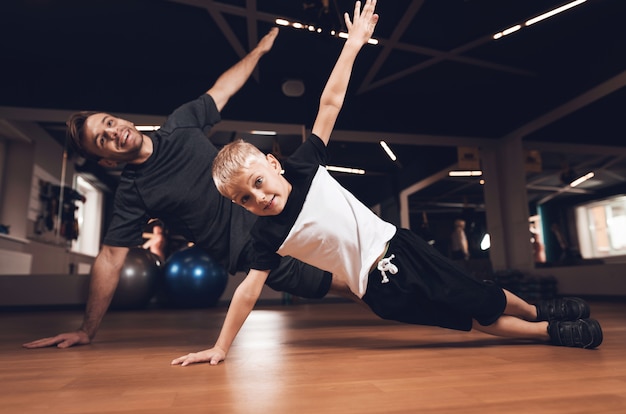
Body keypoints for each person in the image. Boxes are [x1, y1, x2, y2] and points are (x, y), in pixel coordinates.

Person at [172, 0, 602, 367]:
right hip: (379, 290)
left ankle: (536, 310)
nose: (259, 198)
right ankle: (549, 332)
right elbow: (248, 292)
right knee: (471, 318)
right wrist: (220, 346)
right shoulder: (266, 237)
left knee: (480, 295)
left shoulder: (304, 165)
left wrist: (353, 44)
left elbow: (330, 101)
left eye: (258, 183)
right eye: (244, 199)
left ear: (273, 164)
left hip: (402, 246)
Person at [23, 27, 335, 350]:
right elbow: (110, 259)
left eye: (109, 122)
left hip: (280, 210)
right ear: (107, 162)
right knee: (338, 284)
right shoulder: (133, 192)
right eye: (103, 140)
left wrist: (258, 52)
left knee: (351, 262)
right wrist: (87, 330)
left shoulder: (180, 124)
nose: (114, 132)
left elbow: (223, 89)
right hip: (251, 250)